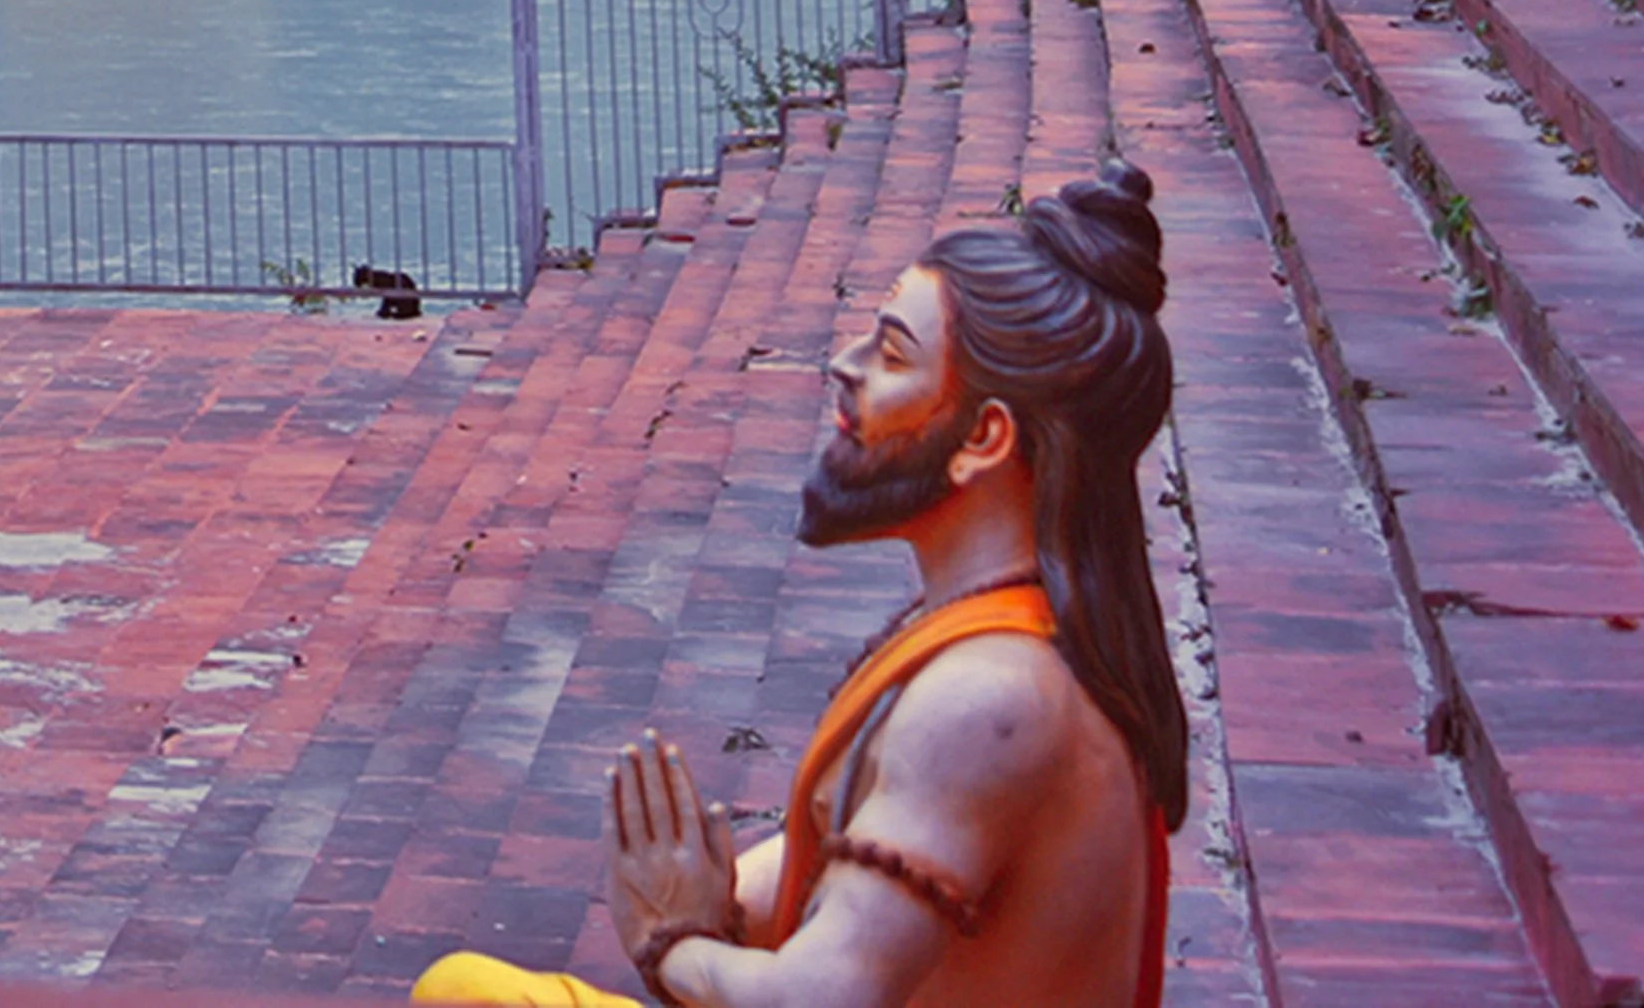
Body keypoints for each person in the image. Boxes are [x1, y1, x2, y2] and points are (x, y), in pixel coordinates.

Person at [414, 169, 1185, 1007]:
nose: (842, 366)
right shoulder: (998, 642)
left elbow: (821, 997)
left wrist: (672, 945)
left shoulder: (991, 700)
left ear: (984, 437)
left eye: (890, 355)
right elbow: (830, 872)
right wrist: (700, 893)